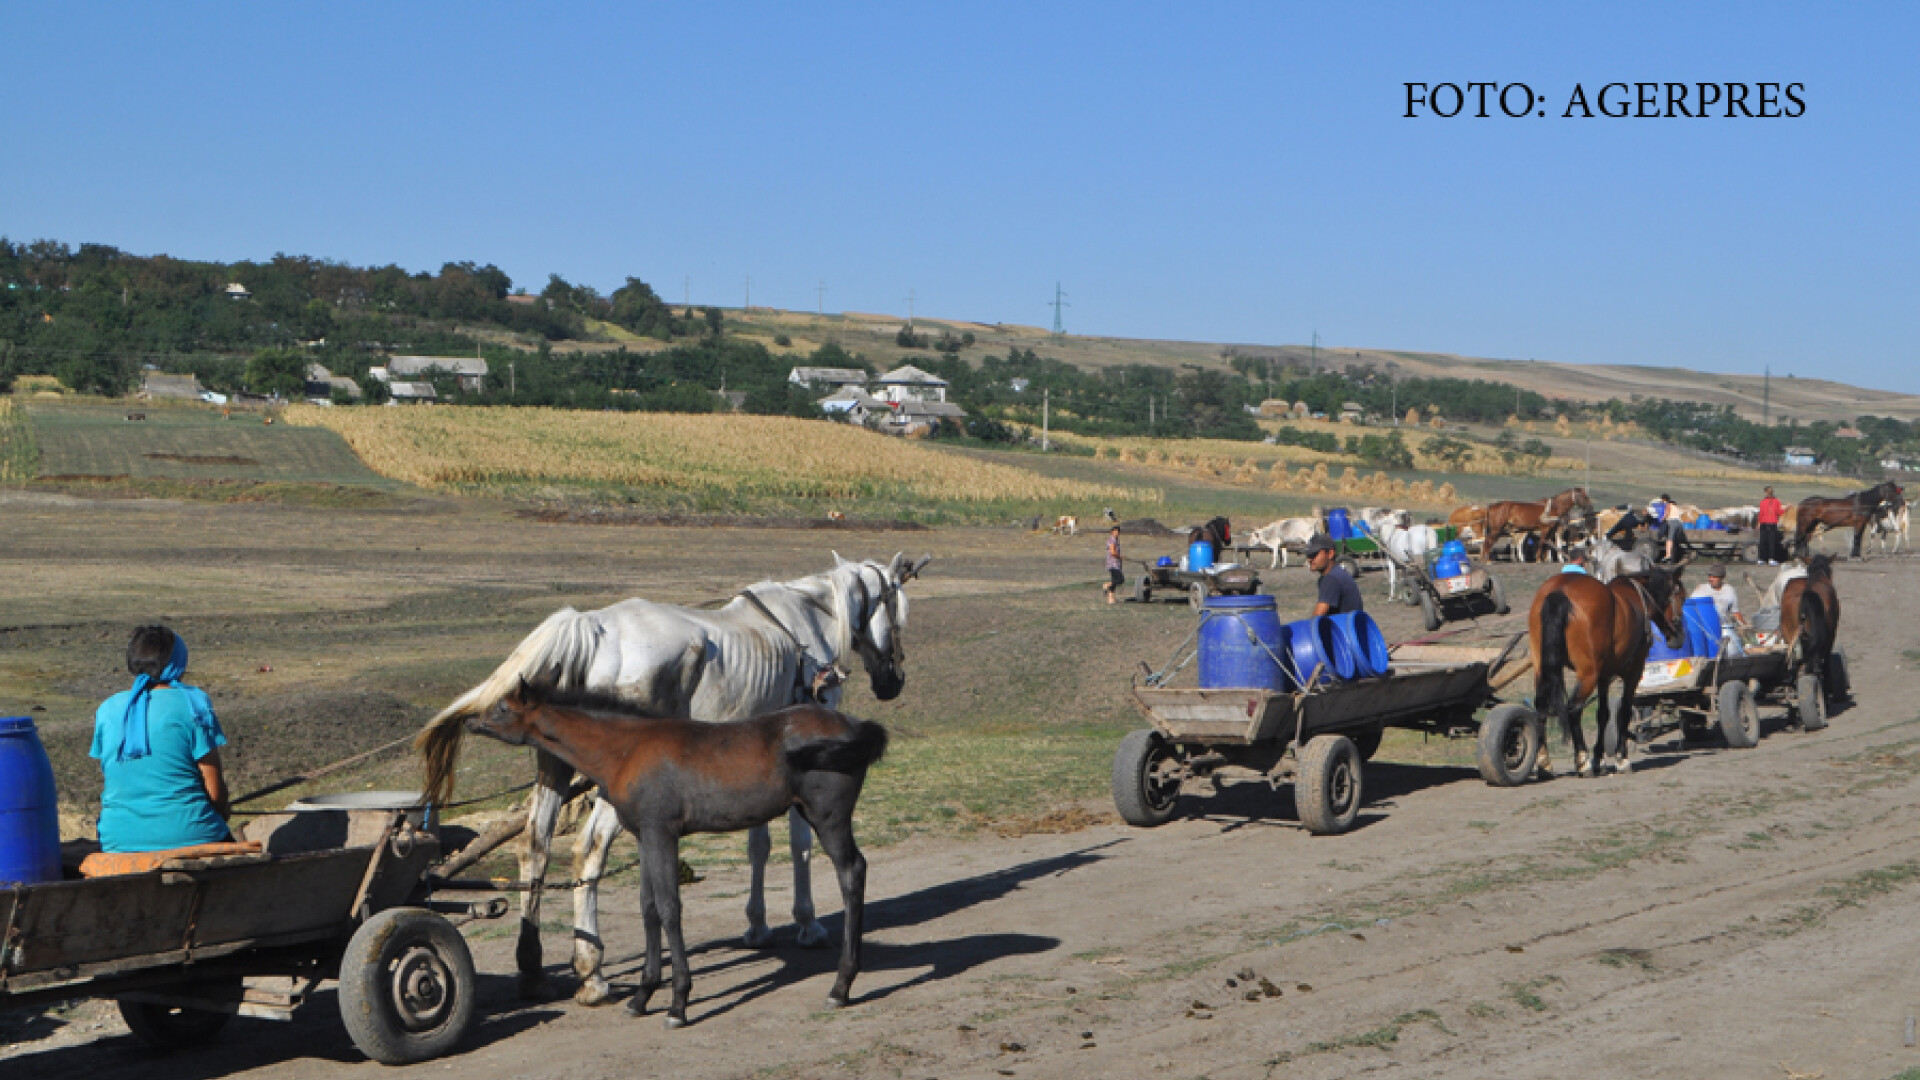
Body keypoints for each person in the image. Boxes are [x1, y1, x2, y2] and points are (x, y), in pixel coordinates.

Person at [92, 625, 232, 853]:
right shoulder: (194, 704)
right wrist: (223, 809)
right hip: (192, 834)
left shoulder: (107, 709)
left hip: (117, 839)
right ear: (179, 662)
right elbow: (215, 792)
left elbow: (115, 777)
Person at [1690, 563, 1748, 657]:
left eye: (1714, 577)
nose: (1710, 579)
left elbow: (1736, 613)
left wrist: (1745, 629)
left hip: (1722, 628)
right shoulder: (1700, 590)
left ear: (1722, 578)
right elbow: (1690, 609)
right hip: (1703, 629)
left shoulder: (1729, 591)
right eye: (1710, 576)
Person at [1304, 535, 1363, 616]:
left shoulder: (1331, 579)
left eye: (1314, 555)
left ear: (1330, 554)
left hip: (1343, 627)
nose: (1309, 560)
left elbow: (1317, 618)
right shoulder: (1337, 573)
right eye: (1308, 555)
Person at [1757, 485, 1784, 565]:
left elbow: (1761, 514)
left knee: (1763, 542)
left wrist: (1758, 523)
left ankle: (1761, 559)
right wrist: (1786, 509)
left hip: (1763, 523)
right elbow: (1779, 512)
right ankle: (1771, 559)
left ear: (1766, 493)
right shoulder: (1776, 502)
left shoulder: (1763, 502)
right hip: (1772, 524)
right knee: (1771, 542)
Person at [1103, 526, 1124, 605]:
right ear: (1111, 532)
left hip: (1116, 564)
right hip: (1113, 564)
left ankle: (1110, 599)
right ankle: (1106, 585)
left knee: (1114, 581)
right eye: (1115, 531)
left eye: (1118, 531)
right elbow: (1113, 552)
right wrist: (1120, 557)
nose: (1117, 533)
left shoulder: (1116, 540)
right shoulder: (1112, 540)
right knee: (1120, 580)